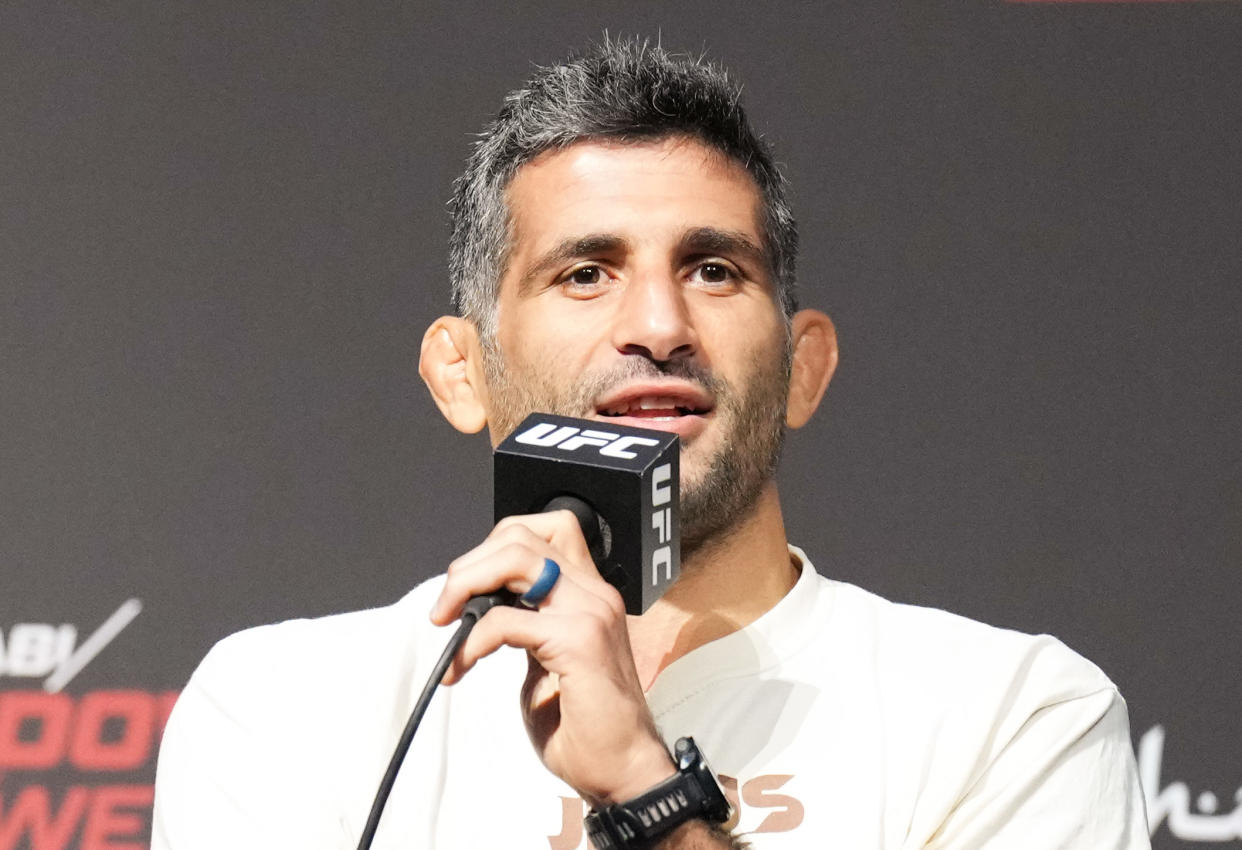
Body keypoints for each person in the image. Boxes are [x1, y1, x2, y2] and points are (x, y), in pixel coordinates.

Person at [152, 38, 1150, 849]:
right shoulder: (284, 711)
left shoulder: (1012, 715)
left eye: (715, 269)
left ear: (804, 366)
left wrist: (648, 792)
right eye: (585, 273)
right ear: (461, 370)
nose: (660, 324)